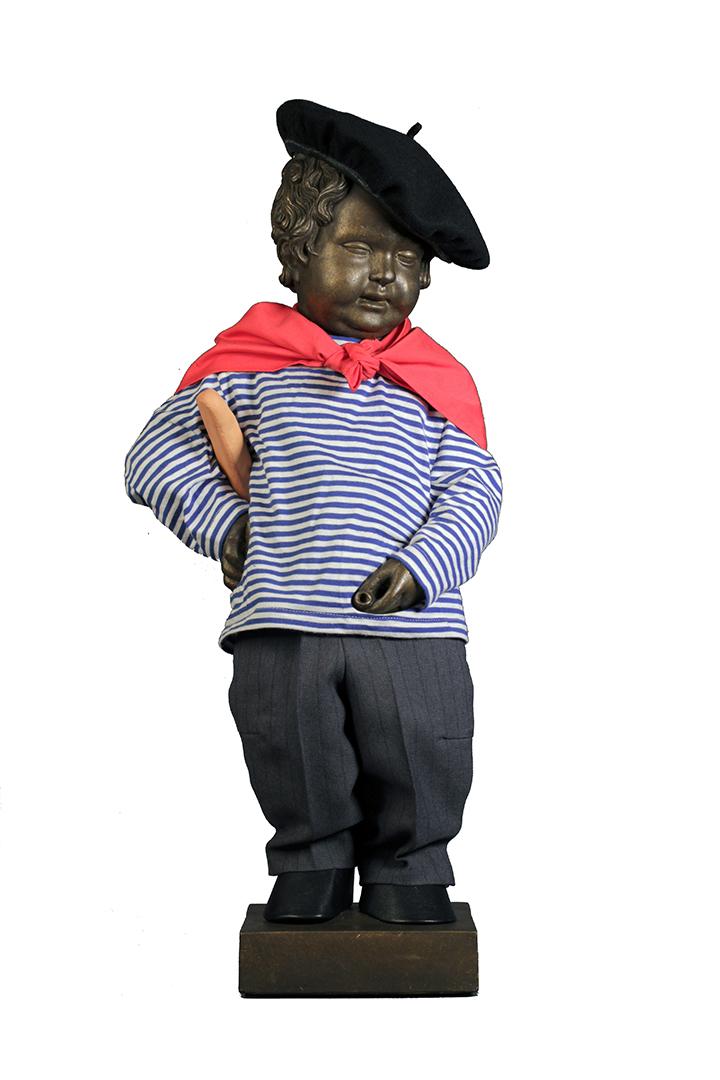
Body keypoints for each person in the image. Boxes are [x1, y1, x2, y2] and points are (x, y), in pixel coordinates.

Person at [124, 100, 502, 925]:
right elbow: (155, 456)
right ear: (299, 253)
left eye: (407, 257)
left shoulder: (436, 387)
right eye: (358, 248)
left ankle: (412, 868)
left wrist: (425, 567)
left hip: (412, 627)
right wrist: (228, 528)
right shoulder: (249, 369)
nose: (384, 274)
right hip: (283, 616)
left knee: (423, 740)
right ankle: (311, 860)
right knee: (290, 743)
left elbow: (475, 491)